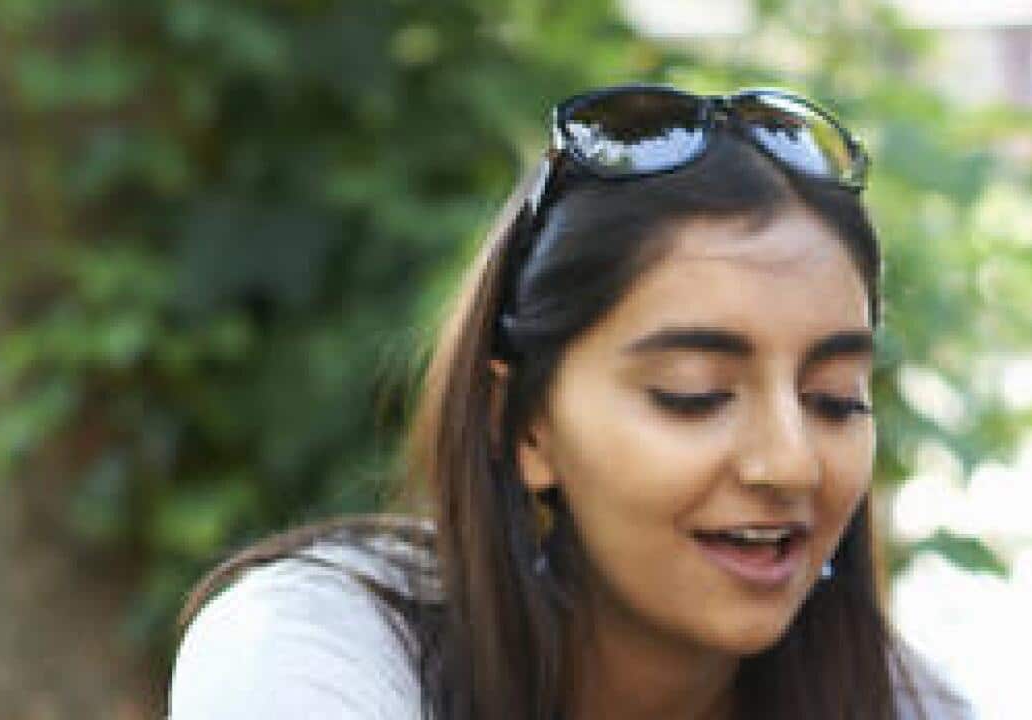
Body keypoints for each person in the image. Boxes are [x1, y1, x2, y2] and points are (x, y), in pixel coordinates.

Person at [168, 84, 974, 719]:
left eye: (833, 401)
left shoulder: (900, 703)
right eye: (692, 396)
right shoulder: (312, 647)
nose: (790, 461)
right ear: (519, 424)